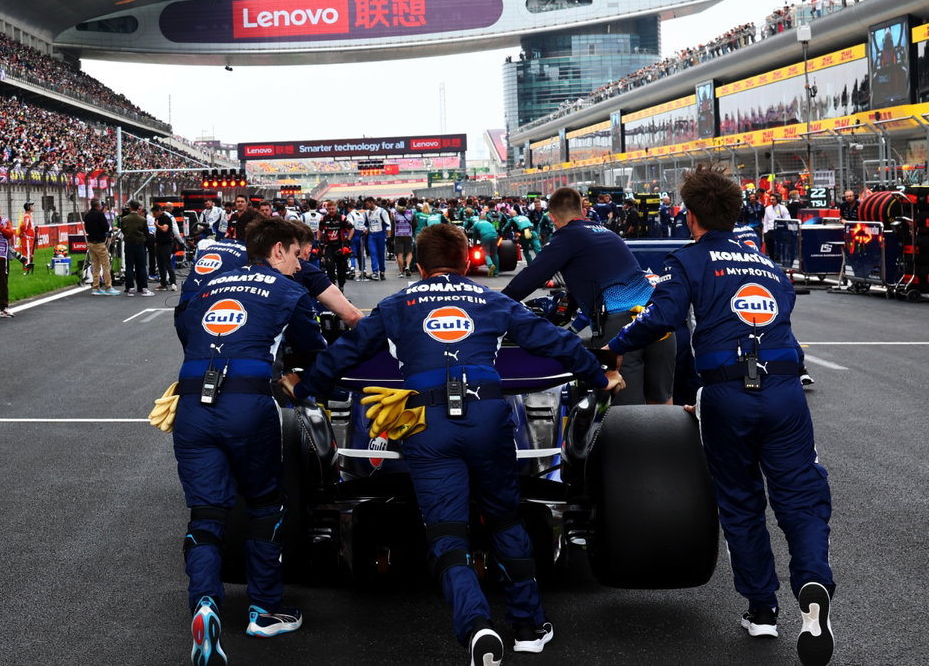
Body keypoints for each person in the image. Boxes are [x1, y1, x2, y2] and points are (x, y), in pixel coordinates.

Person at [285, 223, 621, 665]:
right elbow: (556, 341)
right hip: (486, 417)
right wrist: (601, 377)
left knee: (446, 534)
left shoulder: (397, 304)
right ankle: (528, 627)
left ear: (419, 267)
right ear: (467, 263)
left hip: (427, 423)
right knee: (504, 521)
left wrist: (305, 388)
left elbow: (345, 353)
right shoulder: (494, 300)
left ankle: (477, 625)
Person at [601, 166, 834, 666]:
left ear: (690, 216)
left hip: (728, 394)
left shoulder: (687, 260)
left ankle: (763, 610)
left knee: (741, 501)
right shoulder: (767, 265)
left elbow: (662, 320)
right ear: (736, 213)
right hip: (785, 391)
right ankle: (813, 580)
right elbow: (782, 317)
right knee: (802, 495)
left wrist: (613, 348)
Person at [172, 217, 324, 663]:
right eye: (297, 255)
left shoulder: (205, 285)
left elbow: (186, 334)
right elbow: (314, 349)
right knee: (264, 505)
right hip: (248, 405)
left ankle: (204, 603)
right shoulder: (289, 291)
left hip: (193, 406)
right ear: (278, 251)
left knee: (205, 514)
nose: (300, 266)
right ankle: (263, 610)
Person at [501, 187, 674, 406]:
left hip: (621, 326)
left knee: (628, 414)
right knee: (662, 403)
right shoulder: (605, 233)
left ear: (553, 218)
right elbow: (584, 283)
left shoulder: (567, 237)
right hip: (657, 320)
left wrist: (492, 305)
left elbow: (525, 282)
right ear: (582, 211)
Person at [83, 199, 117, 295]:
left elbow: (87, 228)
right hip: (100, 243)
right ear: (98, 206)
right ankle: (108, 287)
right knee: (106, 265)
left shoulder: (87, 215)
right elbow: (106, 227)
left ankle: (96, 287)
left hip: (91, 242)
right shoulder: (100, 215)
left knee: (95, 265)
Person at [119, 199, 152, 297]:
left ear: (130, 207)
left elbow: (123, 230)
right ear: (138, 208)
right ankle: (143, 287)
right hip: (139, 244)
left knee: (129, 266)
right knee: (141, 266)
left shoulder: (124, 219)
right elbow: (146, 232)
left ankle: (130, 288)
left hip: (129, 243)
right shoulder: (142, 219)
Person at [316, 199, 351, 289]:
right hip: (329, 247)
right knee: (329, 267)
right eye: (329, 209)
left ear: (336, 208)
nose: (331, 210)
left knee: (341, 269)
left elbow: (352, 229)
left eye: (333, 208)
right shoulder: (323, 219)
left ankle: (341, 286)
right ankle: (332, 286)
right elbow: (320, 230)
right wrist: (318, 241)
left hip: (340, 246)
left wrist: (348, 241)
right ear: (327, 209)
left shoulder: (342, 218)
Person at [153, 201, 183, 290]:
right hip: (159, 243)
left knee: (167, 263)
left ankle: (173, 282)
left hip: (166, 244)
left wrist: (157, 225)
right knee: (160, 264)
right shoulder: (159, 218)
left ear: (159, 211)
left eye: (154, 213)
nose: (154, 215)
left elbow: (164, 229)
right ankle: (163, 283)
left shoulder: (166, 218)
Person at [365, 198, 391, 281]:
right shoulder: (367, 213)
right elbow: (365, 224)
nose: (366, 206)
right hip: (372, 235)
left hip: (381, 235)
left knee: (381, 254)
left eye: (367, 204)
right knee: (373, 253)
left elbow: (388, 224)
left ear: (372, 202)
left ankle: (382, 271)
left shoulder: (382, 211)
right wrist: (365, 229)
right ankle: (375, 272)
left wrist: (389, 237)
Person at [390, 201, 417, 276]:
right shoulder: (411, 213)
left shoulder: (395, 214)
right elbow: (415, 224)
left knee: (400, 254)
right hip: (408, 235)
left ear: (398, 204)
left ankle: (401, 272)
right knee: (409, 252)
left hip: (398, 235)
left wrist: (391, 238)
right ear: (406, 204)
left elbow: (393, 227)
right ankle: (407, 266)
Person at [17, 201, 38, 274]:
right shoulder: (26, 216)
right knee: (27, 253)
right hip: (27, 238)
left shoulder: (28, 216)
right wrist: (23, 233)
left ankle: (27, 266)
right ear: (28, 207)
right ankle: (27, 267)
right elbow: (24, 226)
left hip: (29, 238)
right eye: (31, 206)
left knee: (29, 253)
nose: (33, 207)